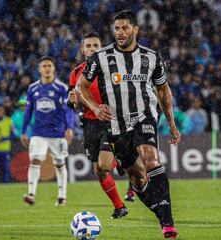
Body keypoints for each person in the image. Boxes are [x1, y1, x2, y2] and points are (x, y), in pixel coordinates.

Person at [76, 10, 181, 239]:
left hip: (144, 116)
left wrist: (172, 124)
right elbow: (80, 88)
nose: (120, 33)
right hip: (116, 125)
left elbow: (163, 91)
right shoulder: (100, 58)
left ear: (135, 29)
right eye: (117, 29)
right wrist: (95, 107)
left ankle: (168, 222)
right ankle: (161, 212)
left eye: (124, 28)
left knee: (151, 158)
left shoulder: (151, 57)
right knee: (137, 177)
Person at [67, 32, 132, 219]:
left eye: (96, 45)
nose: (92, 49)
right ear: (83, 49)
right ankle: (120, 207)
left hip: (110, 121)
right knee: (99, 171)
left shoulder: (113, 68)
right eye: (88, 46)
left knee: (104, 165)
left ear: (101, 48)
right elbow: (74, 102)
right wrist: (72, 100)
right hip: (89, 125)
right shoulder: (76, 73)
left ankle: (120, 159)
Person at [21, 56, 75, 206]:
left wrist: (69, 128)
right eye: (44, 66)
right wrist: (24, 131)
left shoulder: (61, 88)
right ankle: (31, 194)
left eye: (49, 66)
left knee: (59, 163)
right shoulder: (32, 88)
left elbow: (68, 110)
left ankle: (62, 197)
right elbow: (28, 111)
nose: (47, 68)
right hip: (38, 132)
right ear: (39, 69)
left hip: (57, 133)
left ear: (54, 68)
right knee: (35, 159)